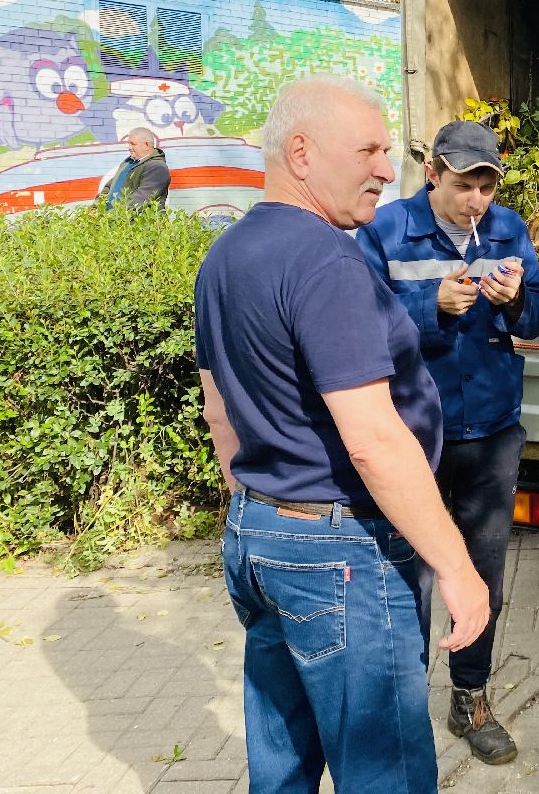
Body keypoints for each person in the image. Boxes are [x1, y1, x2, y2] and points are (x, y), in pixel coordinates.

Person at [194, 78, 489, 794]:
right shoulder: (327, 261)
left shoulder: (226, 254)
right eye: (368, 151)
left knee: (282, 763)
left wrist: (264, 508)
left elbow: (218, 410)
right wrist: (457, 569)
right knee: (384, 771)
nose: (387, 170)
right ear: (301, 153)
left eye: (387, 152)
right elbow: (373, 441)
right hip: (342, 553)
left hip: (258, 536)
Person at [356, 119, 539, 767]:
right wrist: (429, 306)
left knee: (483, 575)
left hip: (491, 431)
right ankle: (402, 707)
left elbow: (537, 320)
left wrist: (516, 300)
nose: (477, 200)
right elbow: (359, 327)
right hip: (412, 434)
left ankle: (470, 698)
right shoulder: (383, 230)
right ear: (433, 172)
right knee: (406, 578)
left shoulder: (508, 229)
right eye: (465, 185)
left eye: (487, 187)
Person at [95, 127, 170, 208]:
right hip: (112, 215)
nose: (129, 147)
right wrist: (96, 207)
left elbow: (140, 200)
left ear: (147, 145)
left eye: (133, 144)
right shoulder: (129, 163)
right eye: (129, 144)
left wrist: (117, 214)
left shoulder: (157, 168)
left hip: (128, 216)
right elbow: (110, 186)